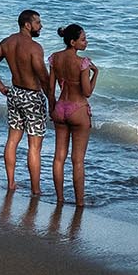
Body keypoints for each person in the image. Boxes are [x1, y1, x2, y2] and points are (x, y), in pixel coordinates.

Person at [0, 8, 51, 195]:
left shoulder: (8, 42)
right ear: (27, 25)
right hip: (32, 96)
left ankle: (11, 183)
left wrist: (1, 86)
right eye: (38, 23)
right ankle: (35, 190)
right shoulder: (35, 48)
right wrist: (52, 102)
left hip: (15, 94)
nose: (41, 26)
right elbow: (43, 78)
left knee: (12, 140)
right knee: (34, 146)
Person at [48, 22, 99, 206]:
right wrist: (96, 74)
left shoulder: (54, 59)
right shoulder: (83, 63)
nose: (86, 42)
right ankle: (79, 203)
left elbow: (50, 86)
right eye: (83, 39)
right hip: (78, 109)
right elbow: (86, 92)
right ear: (72, 42)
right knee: (77, 160)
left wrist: (51, 108)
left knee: (58, 157)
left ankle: (60, 199)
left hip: (60, 108)